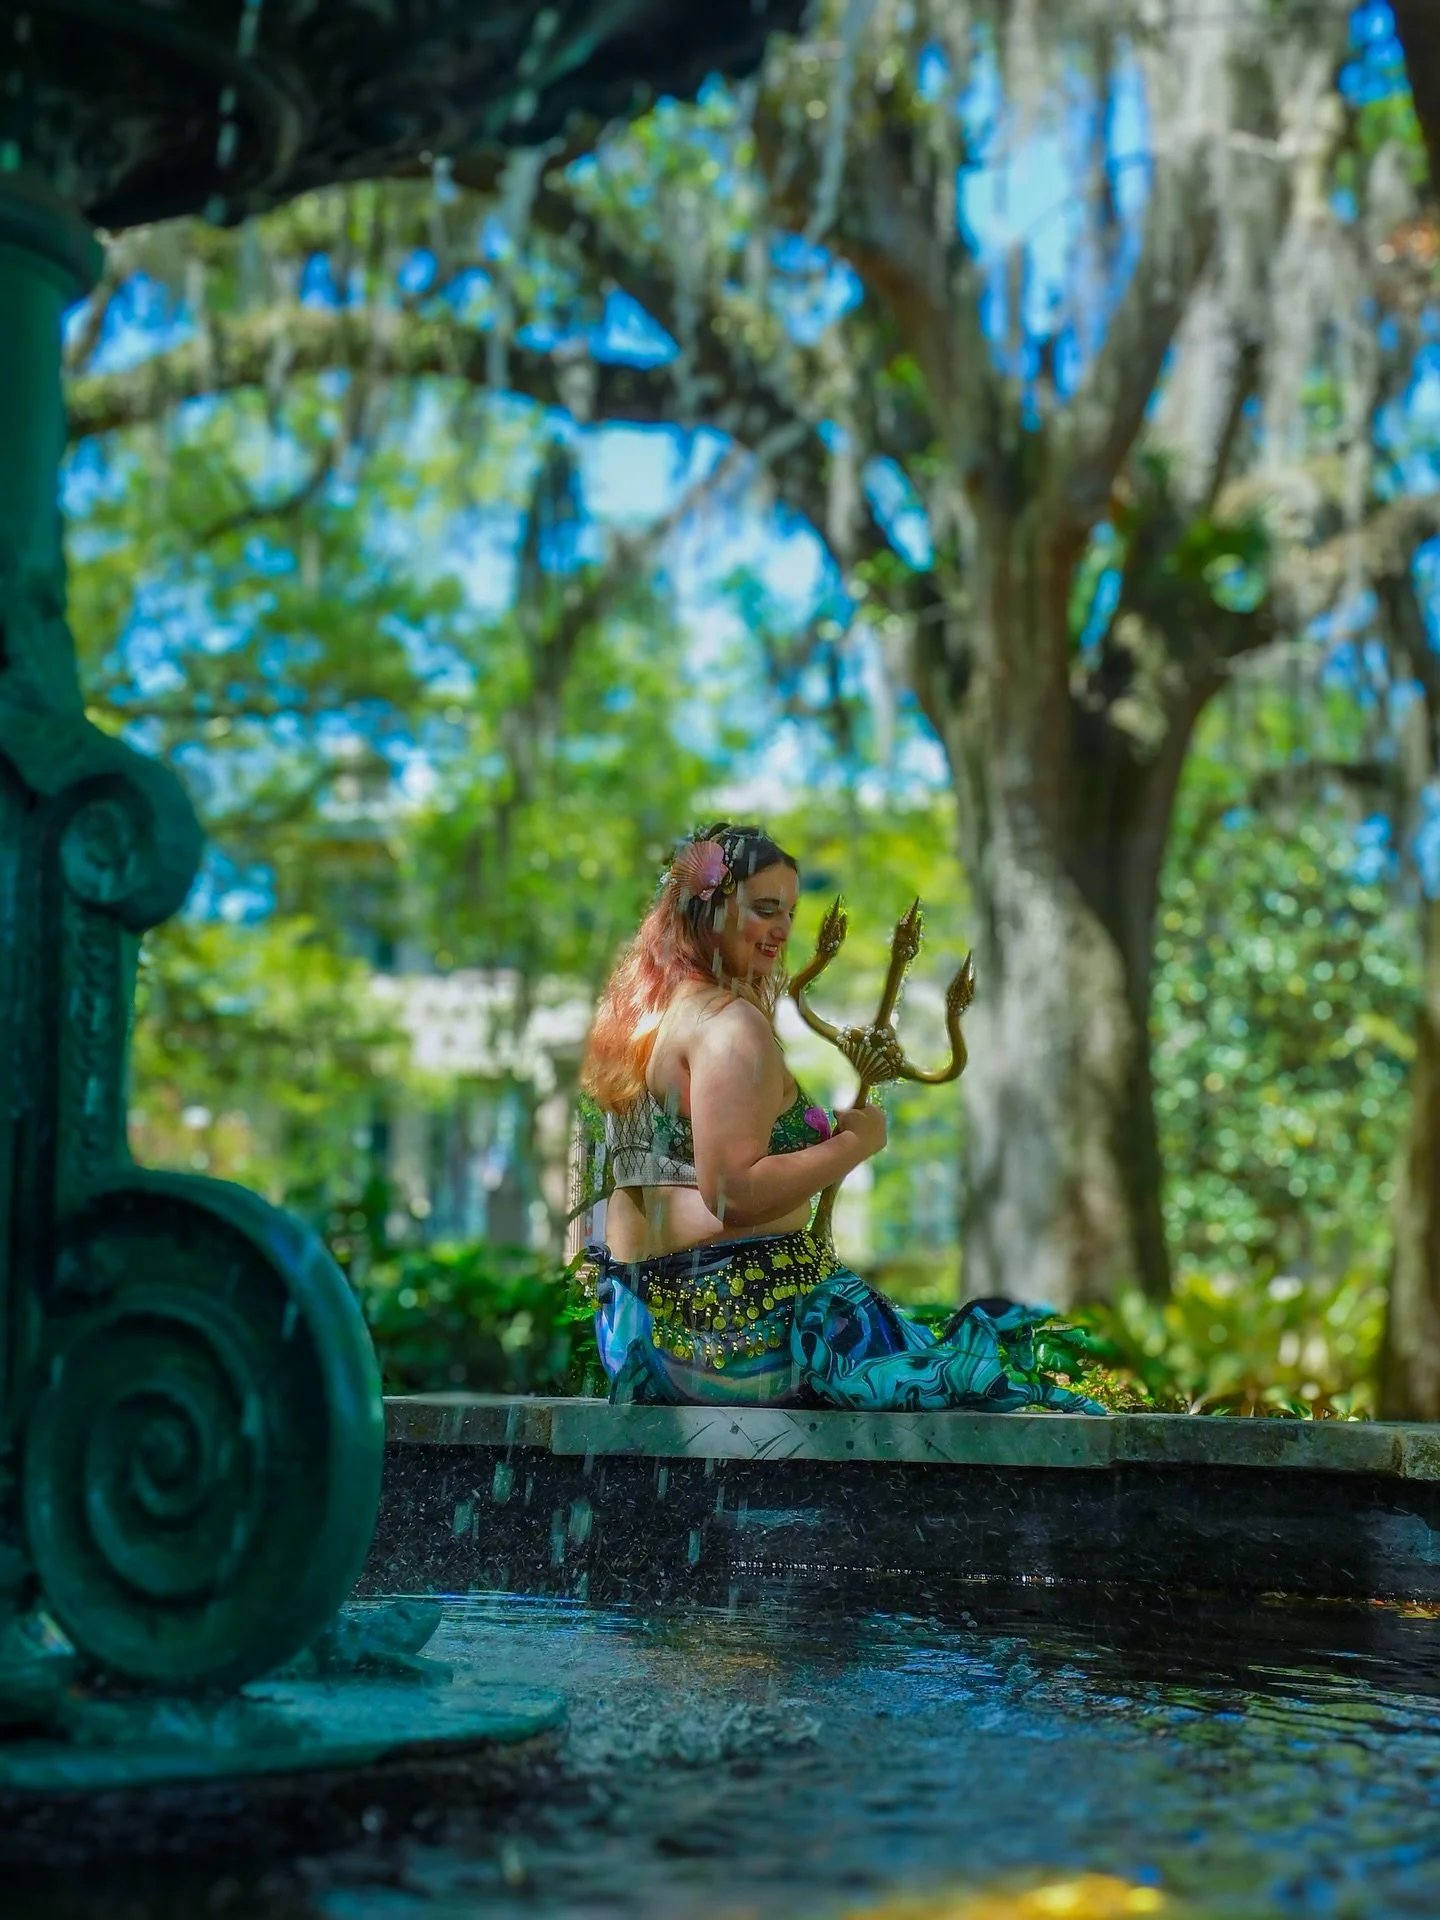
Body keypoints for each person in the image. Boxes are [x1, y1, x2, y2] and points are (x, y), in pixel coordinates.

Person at [570, 822, 1101, 1414]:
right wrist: (855, 1144)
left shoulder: (647, 1017)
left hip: (636, 1337)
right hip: (731, 1342)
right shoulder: (728, 1027)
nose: (782, 930)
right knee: (1006, 1364)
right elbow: (734, 1195)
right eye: (764, 908)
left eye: (790, 912)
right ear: (710, 908)